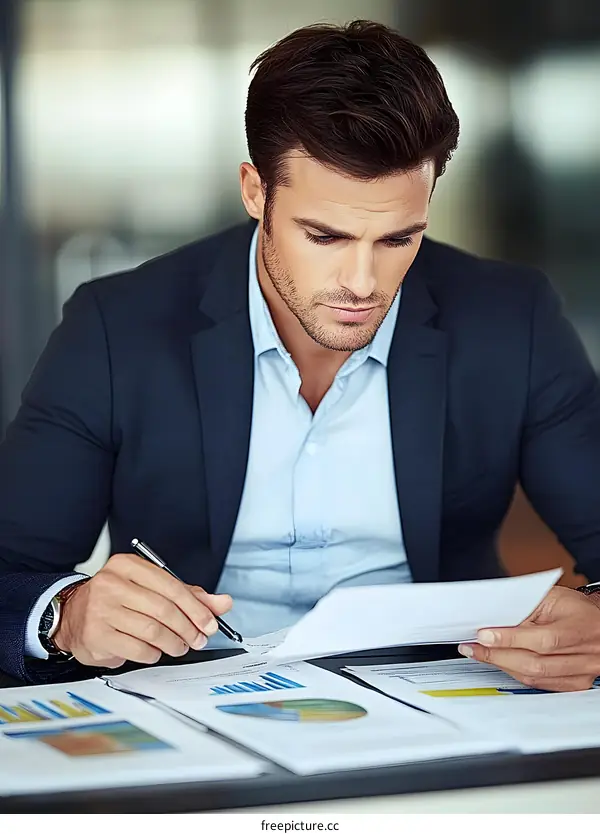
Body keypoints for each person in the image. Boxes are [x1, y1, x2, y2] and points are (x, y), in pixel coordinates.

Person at [1, 20, 600, 690]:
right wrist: (63, 614)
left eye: (398, 239)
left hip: (446, 697)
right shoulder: (117, 328)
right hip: (191, 701)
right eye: (325, 236)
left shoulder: (512, 320)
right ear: (255, 191)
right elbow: (10, 572)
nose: (363, 283)